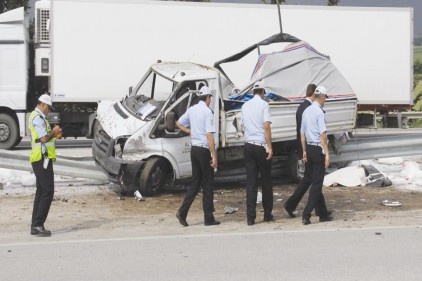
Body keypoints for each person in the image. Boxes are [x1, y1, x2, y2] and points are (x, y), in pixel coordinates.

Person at [175, 85, 220, 226]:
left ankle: (182, 212)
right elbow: (209, 135)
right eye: (210, 98)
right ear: (207, 98)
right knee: (208, 184)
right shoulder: (207, 112)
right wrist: (214, 155)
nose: (210, 100)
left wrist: (190, 131)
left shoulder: (192, 109)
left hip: (194, 150)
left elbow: (178, 123)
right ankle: (208, 218)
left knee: (195, 183)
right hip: (203, 150)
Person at [284, 83, 326, 218]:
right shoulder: (310, 109)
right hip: (311, 148)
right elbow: (318, 133)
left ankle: (321, 211)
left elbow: (301, 131)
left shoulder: (302, 107)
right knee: (314, 181)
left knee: (309, 180)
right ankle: (311, 212)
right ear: (315, 94)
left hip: (306, 148)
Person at [296, 86, 333, 225]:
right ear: (322, 97)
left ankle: (323, 213)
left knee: (313, 180)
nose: (325, 101)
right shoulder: (319, 112)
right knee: (317, 184)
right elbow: (323, 134)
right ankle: (306, 214)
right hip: (318, 149)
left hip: (309, 148)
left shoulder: (307, 111)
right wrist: (327, 153)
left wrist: (304, 151)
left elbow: (302, 133)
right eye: (325, 99)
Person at [28, 94, 62, 236]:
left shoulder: (39, 116)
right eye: (48, 108)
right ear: (42, 104)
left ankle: (35, 225)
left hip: (41, 158)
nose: (49, 110)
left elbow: (44, 137)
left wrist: (54, 134)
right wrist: (53, 132)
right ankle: (38, 224)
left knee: (41, 191)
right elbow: (42, 138)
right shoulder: (38, 117)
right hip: (42, 159)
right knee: (48, 191)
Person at [241, 80, 274, 226]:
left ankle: (250, 217)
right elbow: (267, 127)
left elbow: (243, 127)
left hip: (248, 145)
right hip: (261, 146)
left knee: (251, 183)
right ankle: (267, 214)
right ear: (262, 92)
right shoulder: (264, 105)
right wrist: (270, 147)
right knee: (266, 181)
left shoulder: (245, 106)